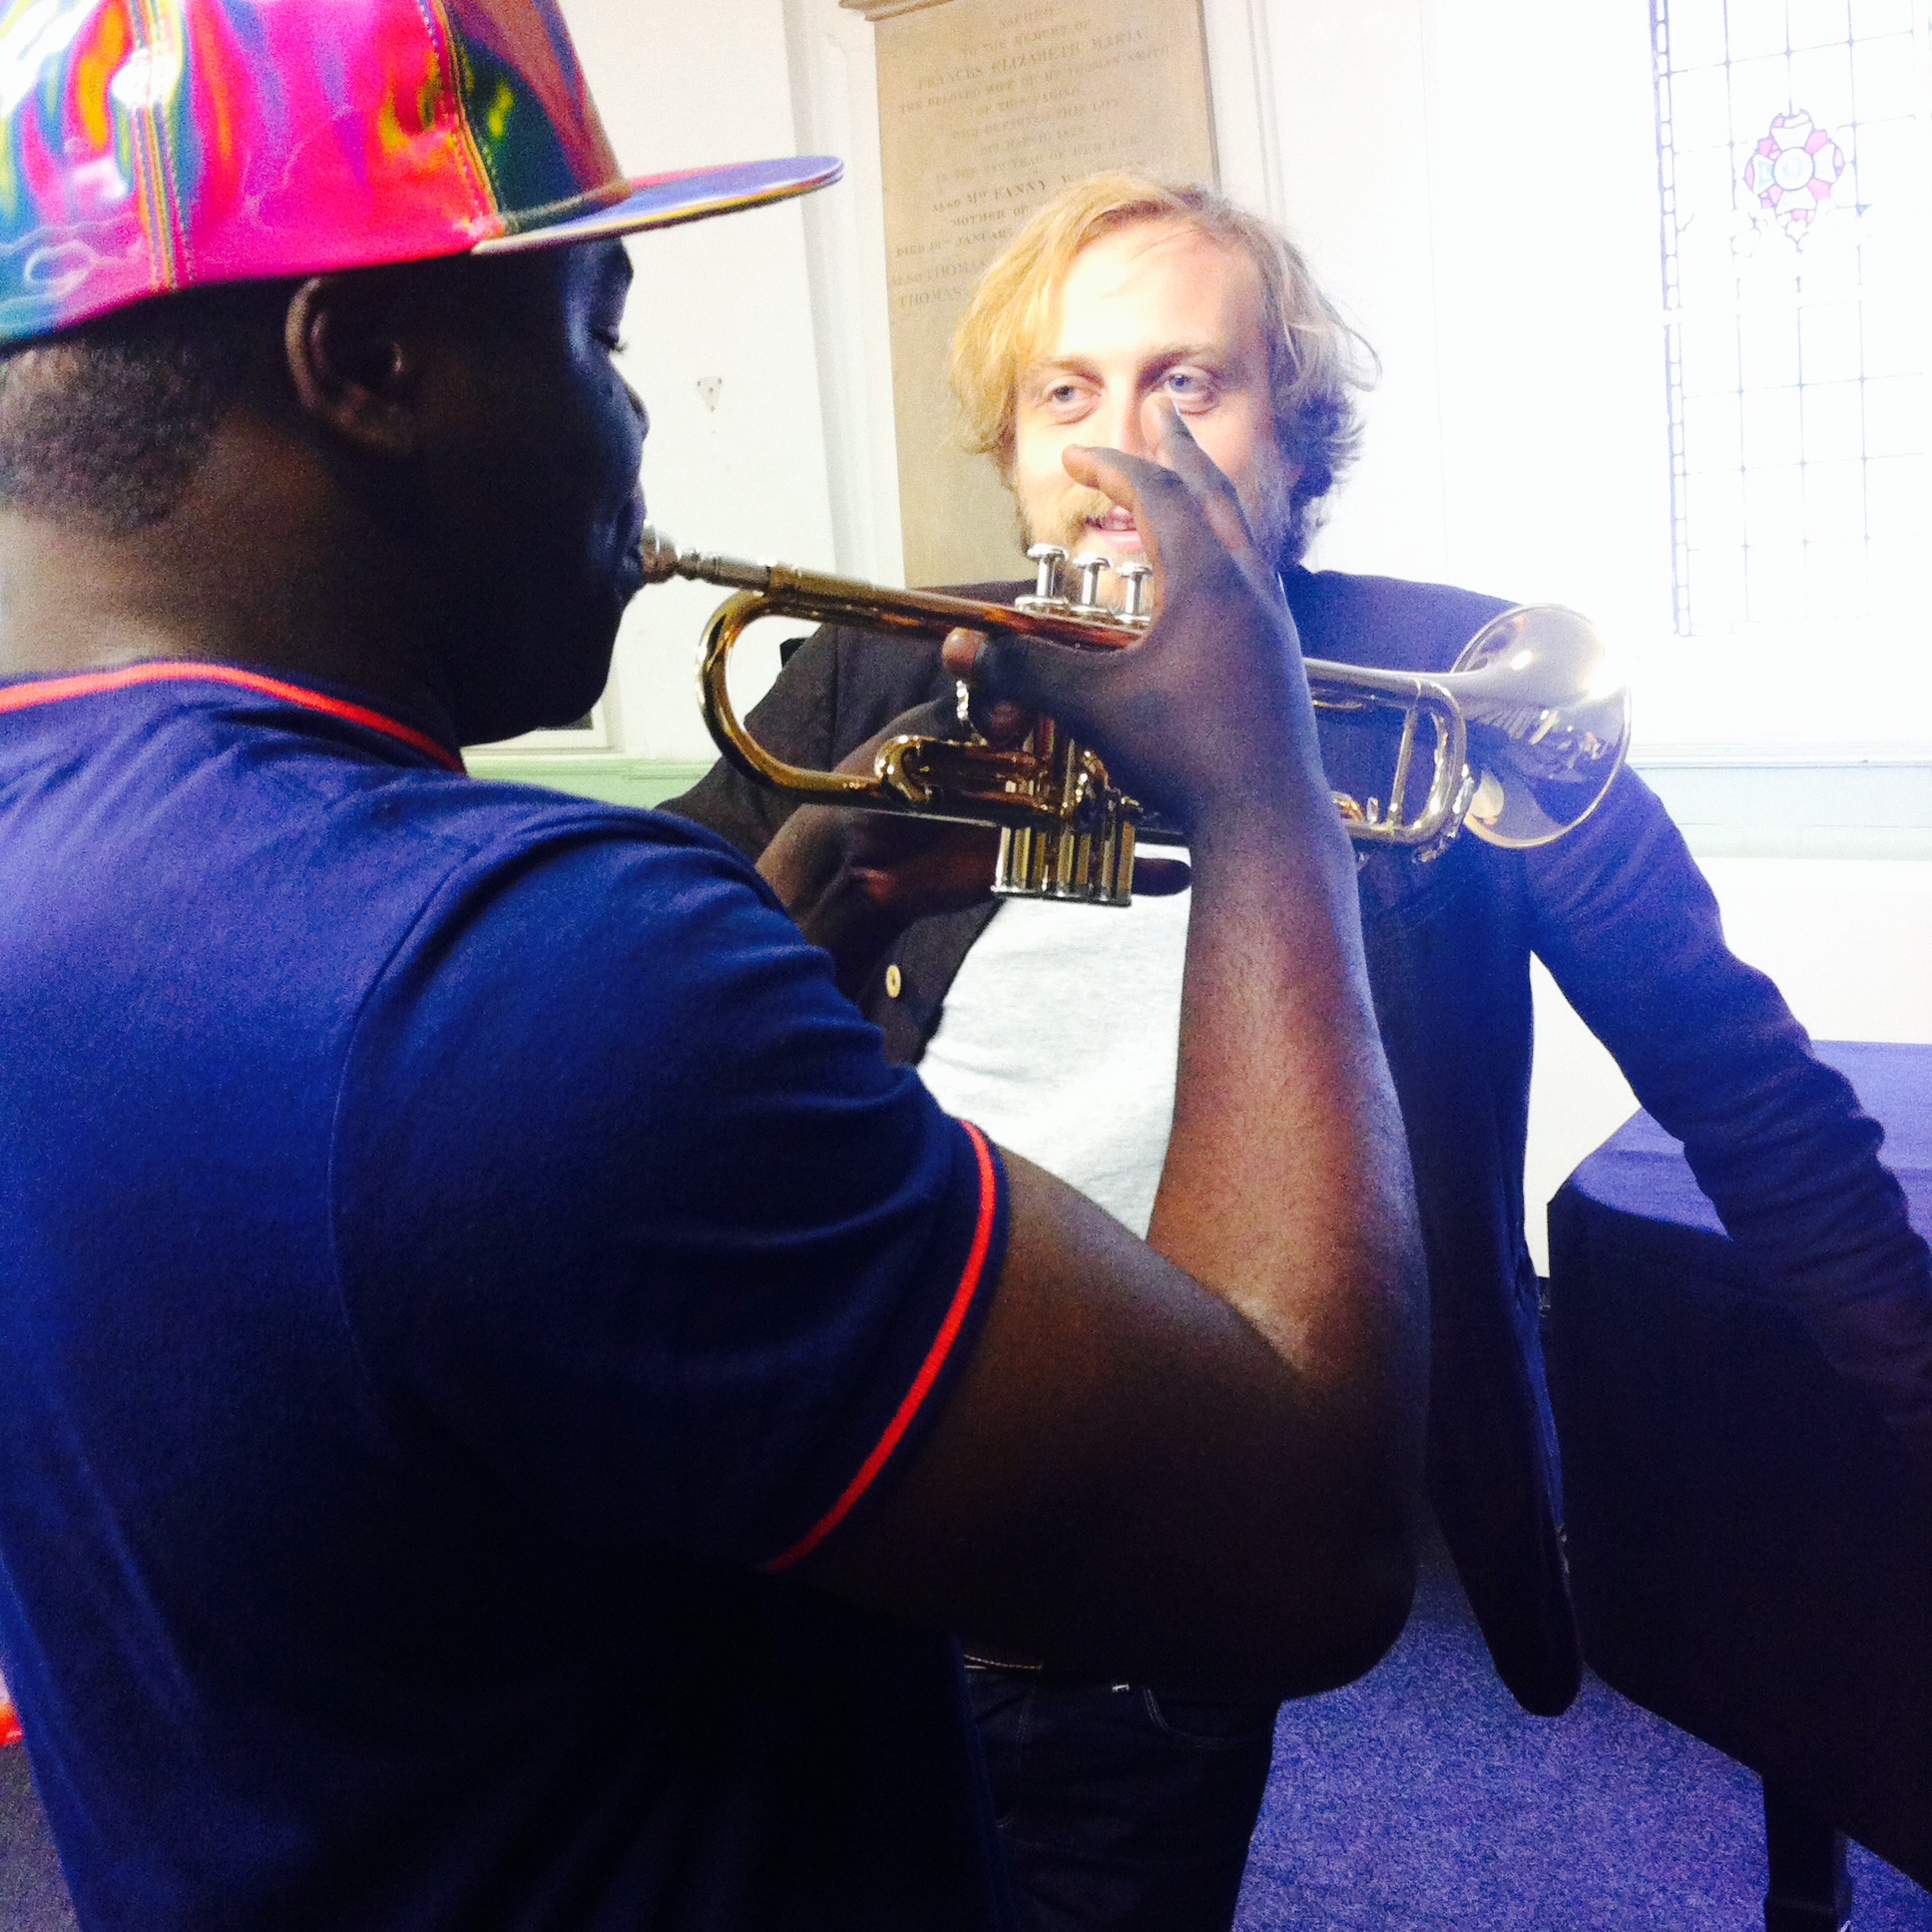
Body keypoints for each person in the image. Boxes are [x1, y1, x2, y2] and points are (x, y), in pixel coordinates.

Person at [0, 10, 1435, 1931]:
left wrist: (799, 930)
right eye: (596, 334)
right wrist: (1263, 792)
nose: (634, 422)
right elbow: (1309, 1545)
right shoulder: (527, 973)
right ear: (368, 361)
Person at [671, 173, 1932, 1931]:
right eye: (1067, 390)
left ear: (1295, 430)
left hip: (1155, 1572)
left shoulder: (1456, 688)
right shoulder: (880, 667)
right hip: (844, 1482)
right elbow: (640, 1001)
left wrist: (1914, 1383)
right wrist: (823, 884)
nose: (1123, 448)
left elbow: (1736, 1076)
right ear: (1014, 447)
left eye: (1190, 383)